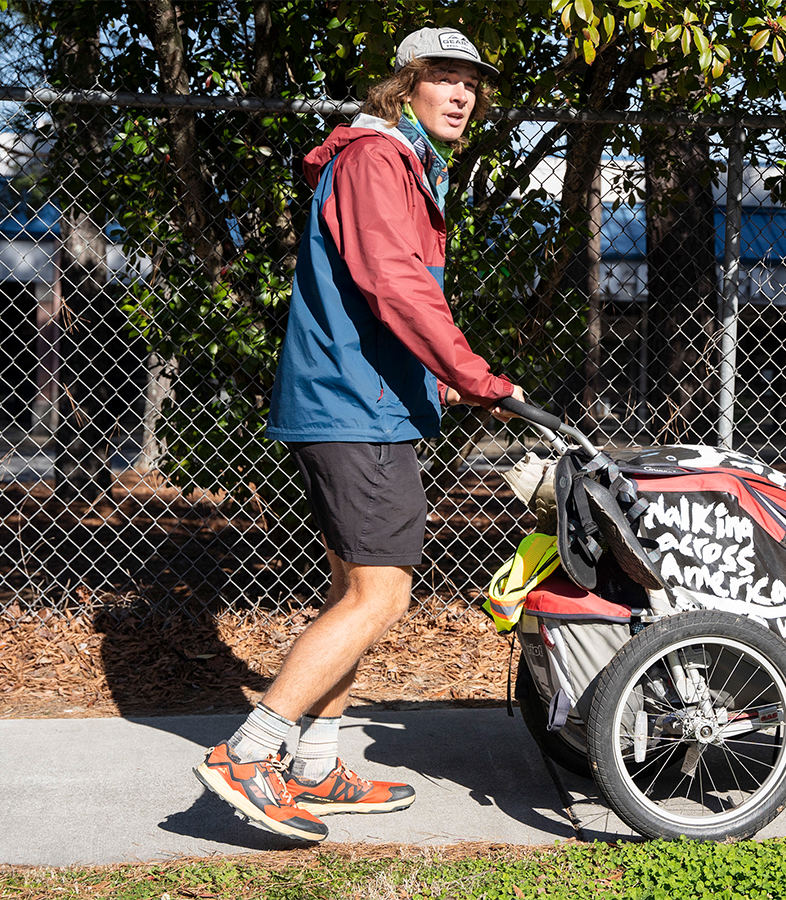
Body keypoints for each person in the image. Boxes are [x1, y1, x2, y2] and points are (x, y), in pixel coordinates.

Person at [194, 27, 523, 842]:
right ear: (403, 86)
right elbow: (393, 280)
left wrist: (437, 376)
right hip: (356, 407)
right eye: (443, 80)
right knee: (382, 594)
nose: (460, 96)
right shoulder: (379, 158)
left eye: (470, 85)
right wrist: (474, 372)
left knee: (355, 592)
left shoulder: (397, 160)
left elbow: (372, 293)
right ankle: (249, 752)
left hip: (357, 398)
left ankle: (315, 765)